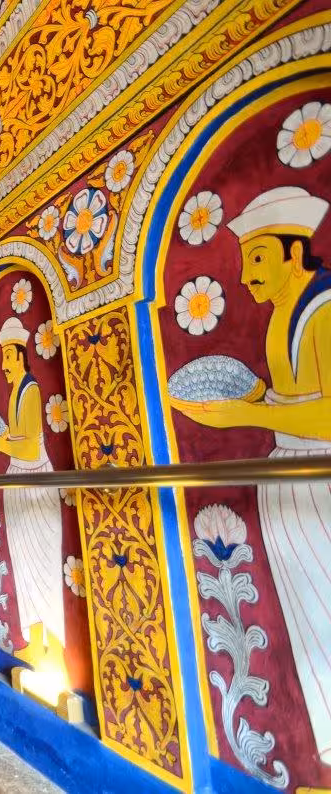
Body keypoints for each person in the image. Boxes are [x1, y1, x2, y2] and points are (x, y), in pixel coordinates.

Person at [171, 185, 331, 761]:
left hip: (318, 477)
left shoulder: (323, 311)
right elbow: (285, 401)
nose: (244, 277)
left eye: (257, 259)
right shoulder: (282, 317)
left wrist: (247, 411)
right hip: (290, 477)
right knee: (310, 617)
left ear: (295, 253)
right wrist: (250, 398)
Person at [0, 316, 65, 666]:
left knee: (41, 563)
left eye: (7, 358)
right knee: (23, 566)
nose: (3, 365)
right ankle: (34, 639)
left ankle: (54, 648)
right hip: (18, 481)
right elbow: (17, 439)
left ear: (19, 354)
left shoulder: (31, 390)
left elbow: (28, 447)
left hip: (34, 481)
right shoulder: (16, 391)